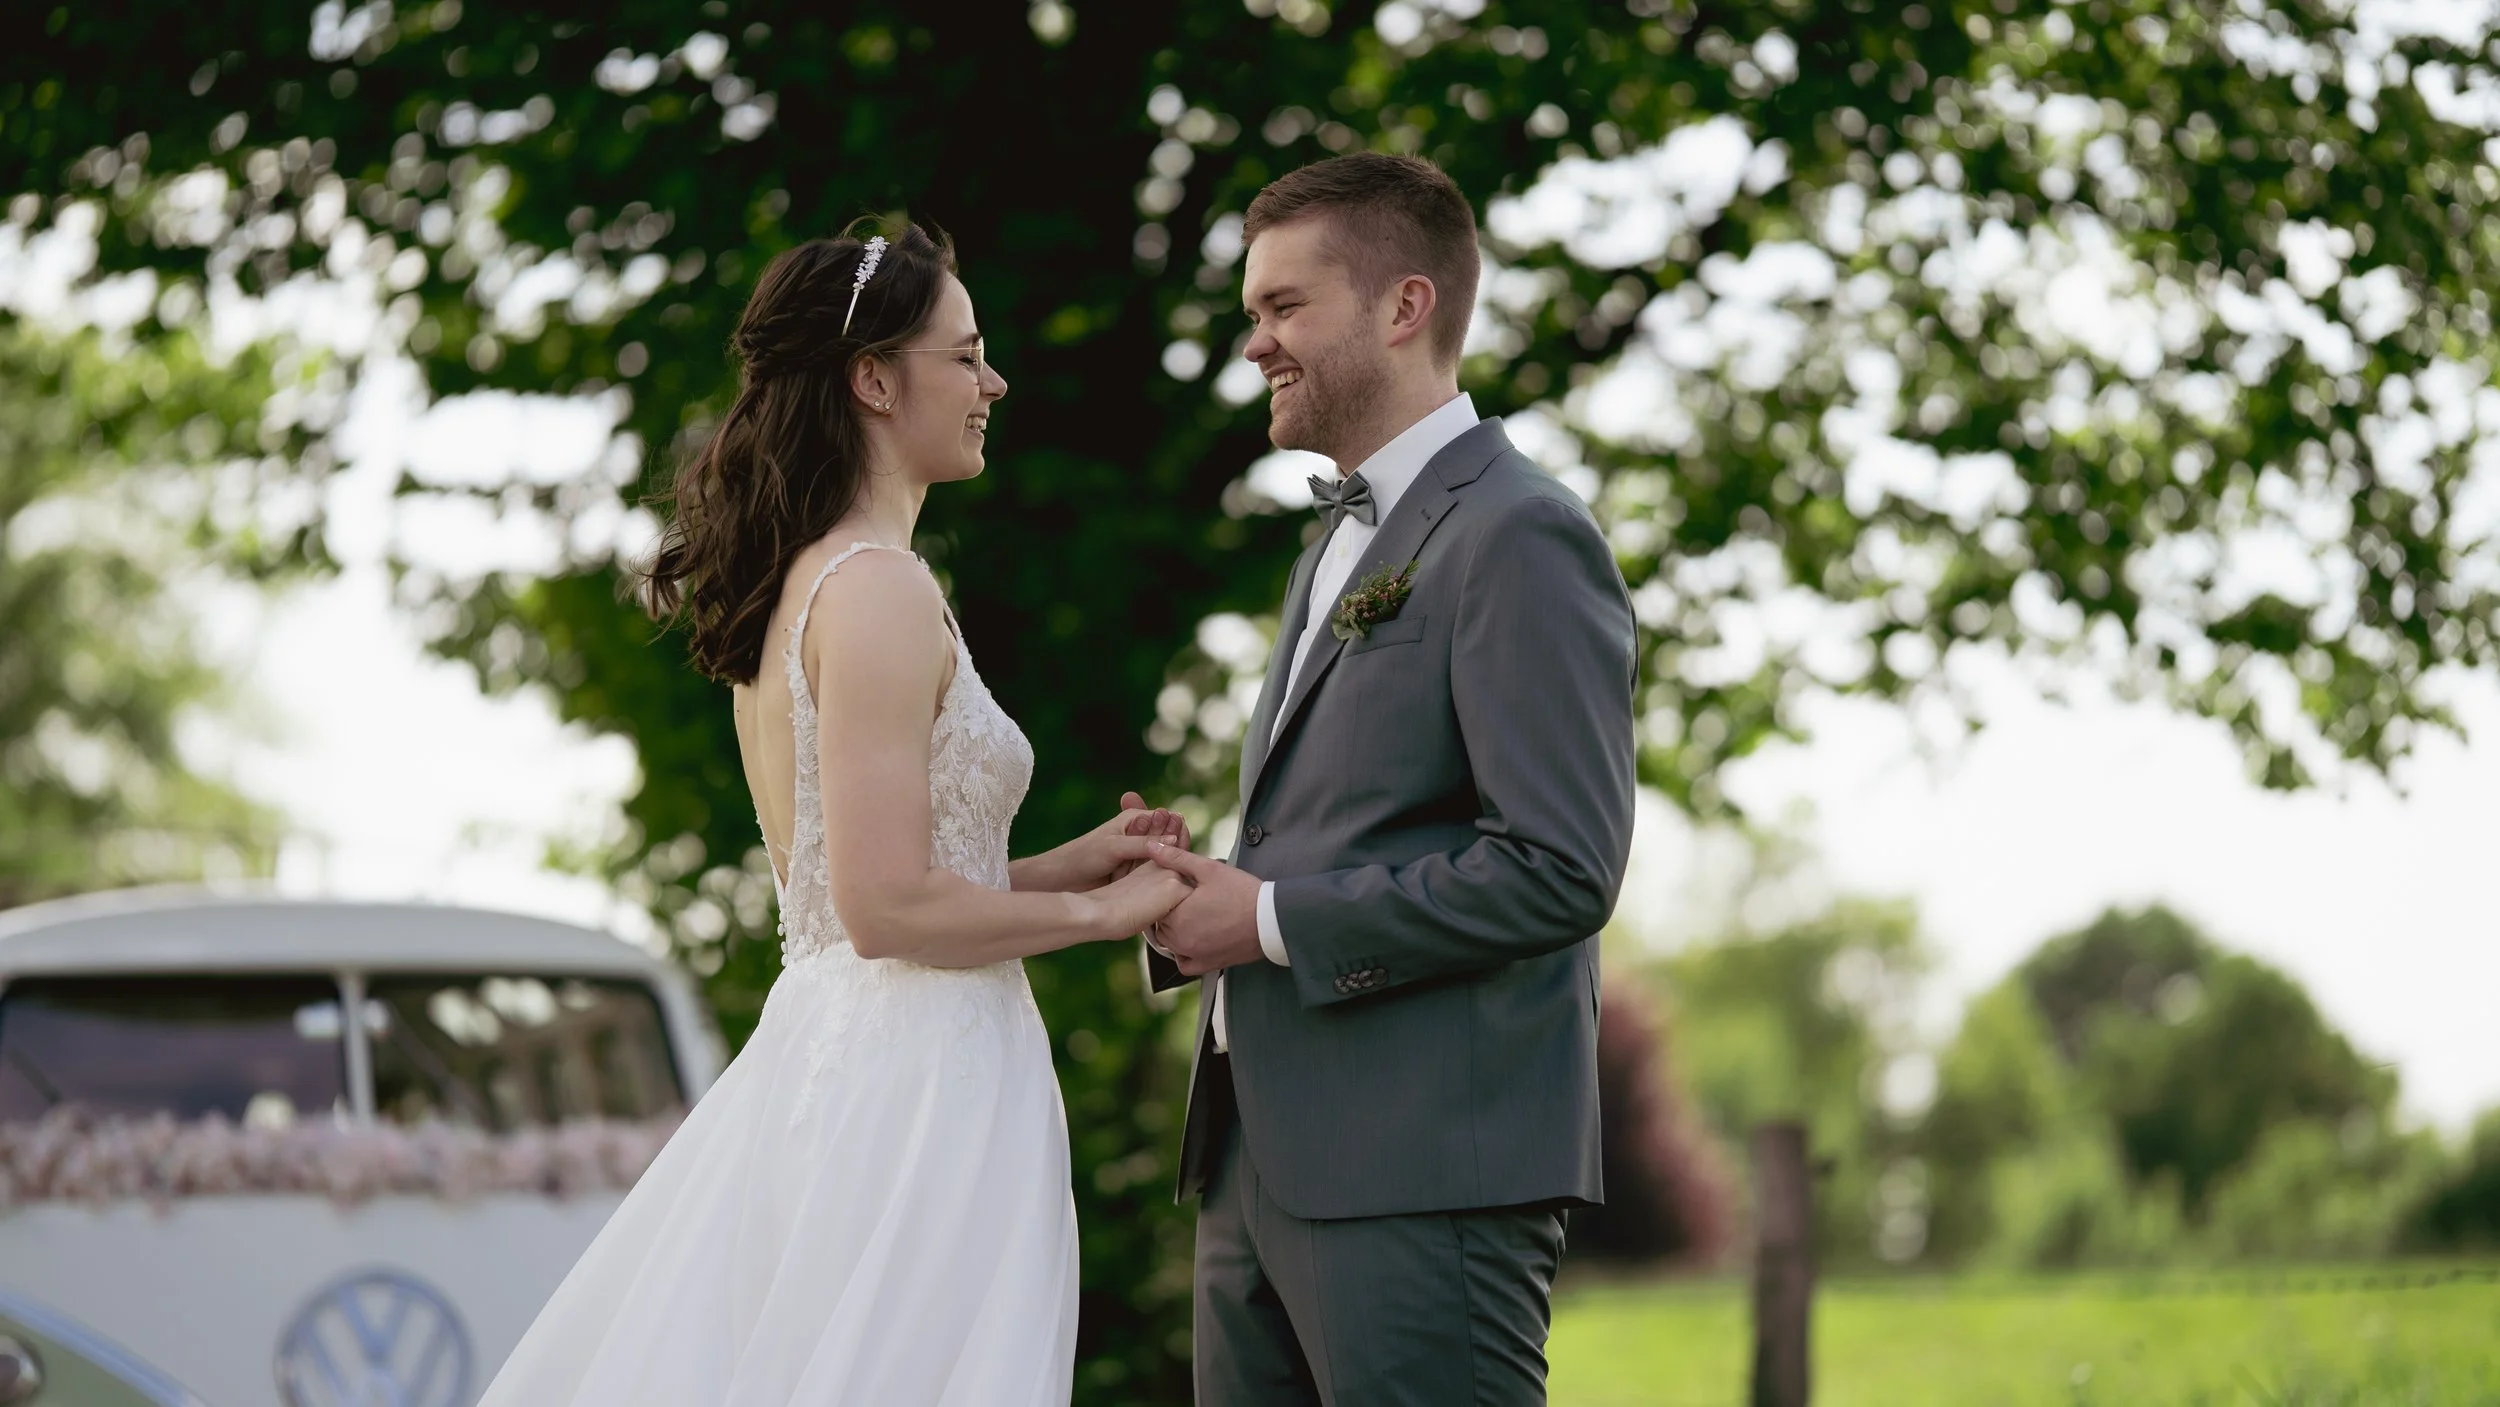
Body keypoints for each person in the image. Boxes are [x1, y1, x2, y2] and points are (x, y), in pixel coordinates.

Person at [476, 223, 1192, 1407]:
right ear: (873, 380)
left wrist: (1073, 862)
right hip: (915, 1082)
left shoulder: (812, 585)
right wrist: (1102, 915)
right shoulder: (876, 588)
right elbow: (883, 909)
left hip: (856, 1048)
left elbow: (871, 878)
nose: (993, 384)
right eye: (964, 356)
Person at [1142, 153, 1639, 1406]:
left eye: (1283, 307)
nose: (1254, 342)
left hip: (1424, 1173)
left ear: (1404, 307)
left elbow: (1558, 869)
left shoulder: (1518, 531)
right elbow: (1339, 829)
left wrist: (1264, 920)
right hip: (1252, 1162)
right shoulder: (1328, 545)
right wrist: (1196, 893)